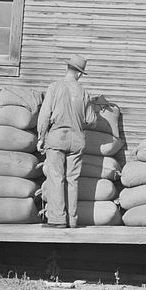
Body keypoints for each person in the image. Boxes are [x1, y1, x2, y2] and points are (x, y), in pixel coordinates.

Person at [36, 54, 97, 228]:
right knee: (73, 180)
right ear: (79, 74)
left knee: (56, 177)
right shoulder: (84, 92)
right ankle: (72, 219)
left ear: (67, 69)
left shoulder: (55, 87)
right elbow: (92, 120)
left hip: (57, 138)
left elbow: (45, 115)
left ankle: (57, 219)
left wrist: (41, 137)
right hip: (77, 140)